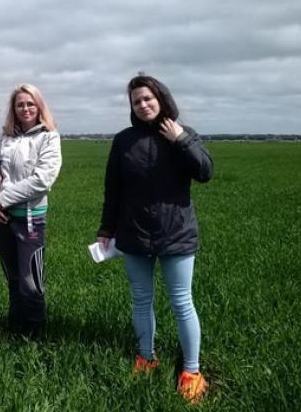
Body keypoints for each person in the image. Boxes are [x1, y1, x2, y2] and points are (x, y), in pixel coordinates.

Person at [96, 74, 214, 403]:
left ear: (161, 98)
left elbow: (205, 172)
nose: (143, 104)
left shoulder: (184, 133)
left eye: (148, 98)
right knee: (140, 299)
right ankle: (146, 358)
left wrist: (180, 139)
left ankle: (192, 371)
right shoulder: (124, 140)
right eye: (136, 101)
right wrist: (106, 229)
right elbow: (113, 189)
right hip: (133, 233)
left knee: (181, 301)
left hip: (176, 233)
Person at [0, 83, 62, 336]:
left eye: (30, 103)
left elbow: (42, 180)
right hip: (2, 219)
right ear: (13, 109)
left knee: (31, 282)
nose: (25, 108)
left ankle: (35, 335)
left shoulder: (49, 136)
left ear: (39, 106)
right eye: (20, 104)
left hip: (30, 221)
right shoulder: (5, 137)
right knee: (13, 278)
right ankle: (14, 330)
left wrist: (1, 199)